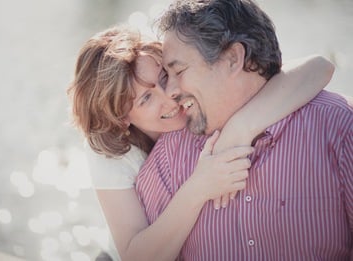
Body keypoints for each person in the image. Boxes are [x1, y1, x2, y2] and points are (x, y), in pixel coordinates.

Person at [68, 24, 335, 260]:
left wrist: (241, 128)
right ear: (121, 118)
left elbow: (319, 67)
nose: (169, 95)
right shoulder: (109, 153)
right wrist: (199, 187)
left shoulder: (199, 96)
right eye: (145, 99)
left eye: (163, 78)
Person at [136, 0, 353, 260]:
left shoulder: (338, 129)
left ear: (233, 58)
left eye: (179, 70)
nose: (170, 92)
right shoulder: (166, 160)